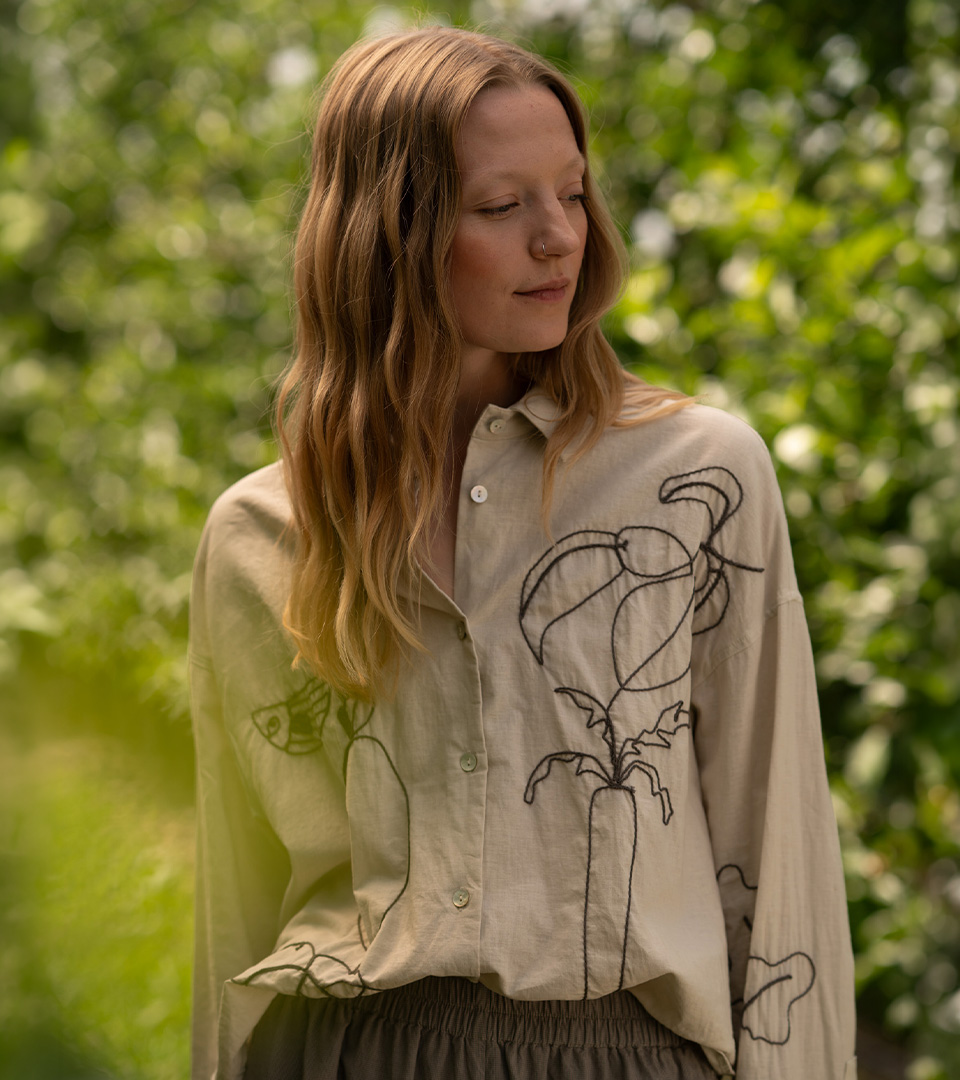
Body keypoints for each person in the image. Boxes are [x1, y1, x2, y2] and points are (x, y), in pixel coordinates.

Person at [189, 25, 858, 1080]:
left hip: (623, 1051)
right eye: (502, 207)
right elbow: (235, 903)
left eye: (575, 193)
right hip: (339, 1049)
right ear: (386, 236)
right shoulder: (260, 534)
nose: (561, 238)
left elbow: (780, 865)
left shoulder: (700, 479)